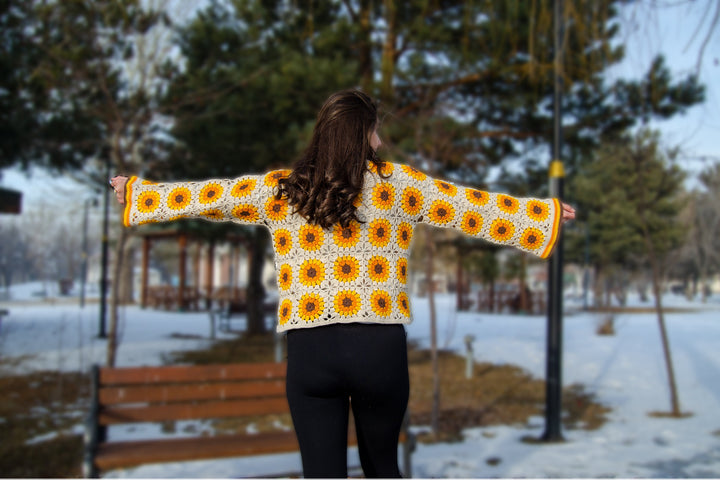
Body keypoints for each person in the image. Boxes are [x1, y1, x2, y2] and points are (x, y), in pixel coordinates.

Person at [110, 89, 575, 478]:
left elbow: (207, 197)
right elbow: (470, 208)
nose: (380, 138)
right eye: (375, 129)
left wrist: (138, 194)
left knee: (321, 473)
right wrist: (542, 215)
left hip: (312, 353)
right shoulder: (399, 186)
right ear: (362, 135)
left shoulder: (283, 189)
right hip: (379, 351)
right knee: (382, 467)